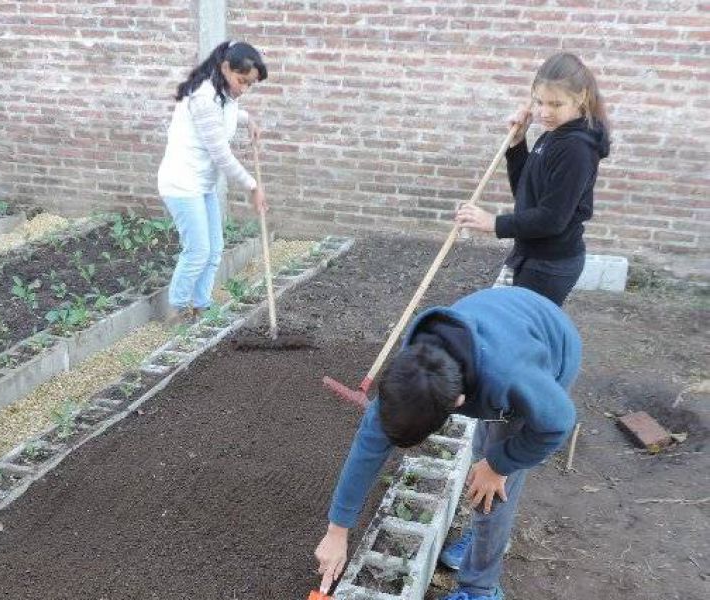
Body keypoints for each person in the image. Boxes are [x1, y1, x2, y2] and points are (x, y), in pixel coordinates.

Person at [314, 286, 581, 600]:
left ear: (458, 402)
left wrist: (499, 465)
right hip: (501, 325)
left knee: (491, 485)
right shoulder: (411, 370)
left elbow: (558, 423)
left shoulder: (512, 378)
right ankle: (481, 535)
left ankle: (481, 588)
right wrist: (337, 529)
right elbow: (369, 445)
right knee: (482, 453)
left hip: (552, 349)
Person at [456, 53, 611, 306]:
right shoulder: (553, 136)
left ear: (581, 97)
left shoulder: (576, 149)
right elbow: (525, 194)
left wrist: (494, 223)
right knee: (510, 324)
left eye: (556, 104)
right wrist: (517, 144)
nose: (544, 112)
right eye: (539, 102)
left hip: (550, 265)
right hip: (530, 254)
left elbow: (552, 219)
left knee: (522, 334)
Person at [157, 40, 268, 322]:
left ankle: (201, 304)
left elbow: (228, 112)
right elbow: (221, 155)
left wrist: (248, 119)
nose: (243, 89)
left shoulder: (224, 93)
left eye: (249, 85)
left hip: (201, 183)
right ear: (225, 67)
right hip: (182, 183)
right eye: (241, 81)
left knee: (215, 249)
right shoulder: (203, 97)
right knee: (198, 250)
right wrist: (253, 186)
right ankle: (178, 310)